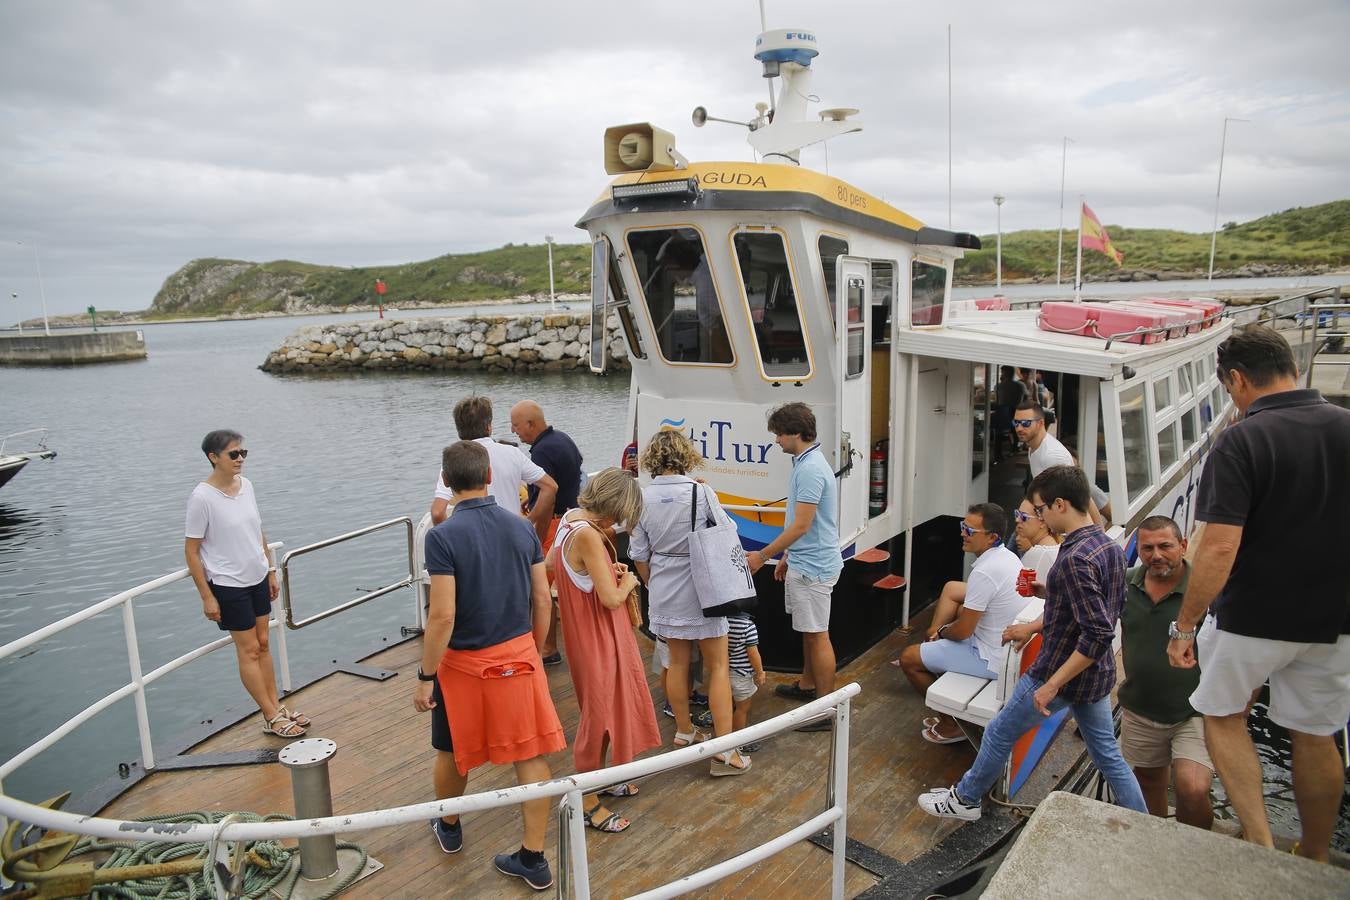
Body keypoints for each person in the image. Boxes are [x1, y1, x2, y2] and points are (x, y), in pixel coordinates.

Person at [1167, 325, 1350, 862]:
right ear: (1291, 367)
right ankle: (1314, 854)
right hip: (1335, 619)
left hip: (1253, 615)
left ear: (1238, 379)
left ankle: (1263, 846)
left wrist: (1184, 625)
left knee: (1223, 717)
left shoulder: (1242, 440)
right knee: (1316, 734)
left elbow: (1220, 547)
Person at [918, 465, 1146, 821]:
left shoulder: (1074, 558)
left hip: (1058, 673)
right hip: (1096, 677)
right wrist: (1050, 592)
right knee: (1108, 756)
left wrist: (1052, 685)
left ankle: (965, 799)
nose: (1039, 518)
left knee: (998, 733)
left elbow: (1098, 634)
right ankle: (1142, 821)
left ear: (1060, 505)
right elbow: (1100, 610)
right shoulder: (1107, 546)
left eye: (1040, 510)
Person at [413, 440, 564, 891]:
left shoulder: (442, 537)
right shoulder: (522, 528)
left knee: (451, 748)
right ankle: (533, 857)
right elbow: (542, 599)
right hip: (518, 656)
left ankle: (450, 825)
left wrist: (425, 677)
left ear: (447, 481)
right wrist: (532, 652)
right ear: (489, 477)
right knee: (529, 754)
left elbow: (442, 616)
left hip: (462, 666)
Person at [629, 430, 748, 775]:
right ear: (685, 456)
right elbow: (727, 529)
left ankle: (684, 730)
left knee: (677, 663)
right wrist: (706, 492)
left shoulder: (641, 498)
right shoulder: (700, 491)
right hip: (702, 587)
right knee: (718, 666)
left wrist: (652, 583)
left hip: (664, 586)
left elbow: (638, 553)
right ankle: (725, 750)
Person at [552, 469, 663, 831]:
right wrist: (628, 580)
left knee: (603, 708)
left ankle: (600, 779)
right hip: (598, 637)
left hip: (583, 634)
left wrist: (600, 568)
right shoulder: (587, 535)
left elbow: (557, 566)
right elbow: (611, 599)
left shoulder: (570, 520)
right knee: (597, 716)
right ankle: (585, 800)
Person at [185, 430, 309, 739]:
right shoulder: (202, 497)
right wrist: (207, 596)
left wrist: (270, 570)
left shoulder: (246, 486)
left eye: (243, 453)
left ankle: (276, 706)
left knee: (264, 643)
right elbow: (191, 550)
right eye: (233, 454)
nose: (240, 459)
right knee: (249, 649)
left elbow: (257, 531)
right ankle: (270, 715)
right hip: (228, 583)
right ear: (214, 457)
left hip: (257, 577)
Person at [1113, 516, 1214, 830]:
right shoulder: (1125, 583)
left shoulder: (1205, 589)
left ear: (1183, 546)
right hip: (1140, 709)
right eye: (1148, 548)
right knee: (1148, 782)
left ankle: (1194, 846)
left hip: (1193, 711)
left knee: (1193, 788)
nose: (1156, 555)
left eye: (1165, 546)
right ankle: (1157, 840)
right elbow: (1083, 602)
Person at [746, 402, 842, 733]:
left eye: (779, 434)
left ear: (796, 433)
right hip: (806, 560)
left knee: (818, 635)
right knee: (809, 631)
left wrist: (764, 556)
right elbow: (803, 524)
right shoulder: (806, 463)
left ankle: (824, 711)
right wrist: (789, 555)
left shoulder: (810, 469)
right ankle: (807, 685)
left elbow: (802, 525)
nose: (776, 440)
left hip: (814, 567)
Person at [899, 504, 1027, 744]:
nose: (962, 533)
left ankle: (952, 725)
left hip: (991, 658)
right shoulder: (1008, 557)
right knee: (938, 638)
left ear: (992, 538)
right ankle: (953, 714)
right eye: (962, 526)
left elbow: (964, 631)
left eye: (969, 530)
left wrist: (940, 631)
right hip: (1005, 649)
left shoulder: (985, 571)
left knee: (909, 658)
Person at [510, 399, 583, 665]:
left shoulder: (541, 452)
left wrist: (533, 528)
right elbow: (570, 477)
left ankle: (548, 649)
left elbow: (549, 495)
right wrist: (531, 499)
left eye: (516, 425)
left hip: (552, 524)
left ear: (531, 424)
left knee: (543, 590)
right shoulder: (562, 439)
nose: (514, 431)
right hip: (571, 518)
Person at [430, 396, 557, 542]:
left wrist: (454, 541)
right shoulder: (512, 453)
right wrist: (529, 523)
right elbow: (550, 487)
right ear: (489, 426)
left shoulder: (454, 460)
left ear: (458, 428)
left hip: (477, 545)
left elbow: (437, 513)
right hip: (514, 540)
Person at [1013, 401, 1111, 523]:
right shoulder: (1033, 447)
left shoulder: (1052, 456)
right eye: (1016, 423)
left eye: (1025, 423)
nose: (1019, 428)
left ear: (1041, 423)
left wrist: (1098, 529)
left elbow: (1081, 496)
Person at [727, 612, 766, 754]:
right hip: (741, 674)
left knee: (729, 705)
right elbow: (753, 652)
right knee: (742, 708)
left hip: (725, 673)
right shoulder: (747, 626)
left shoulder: (723, 621)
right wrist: (760, 672)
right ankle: (739, 741)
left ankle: (726, 732)